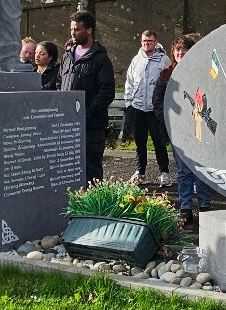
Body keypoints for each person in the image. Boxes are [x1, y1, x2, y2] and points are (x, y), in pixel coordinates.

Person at [153, 33, 209, 228]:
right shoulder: (166, 75)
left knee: (201, 169)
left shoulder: (200, 73)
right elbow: (158, 102)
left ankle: (205, 206)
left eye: (184, 50)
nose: (180, 53)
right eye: (177, 50)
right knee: (183, 171)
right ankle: (185, 207)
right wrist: (167, 122)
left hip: (198, 128)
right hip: (177, 131)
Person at [59, 11, 115, 182]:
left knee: (92, 172)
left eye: (77, 29)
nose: (73, 33)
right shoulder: (67, 57)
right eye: (71, 29)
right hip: (67, 125)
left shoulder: (100, 59)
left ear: (89, 30)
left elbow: (106, 92)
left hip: (92, 127)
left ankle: (93, 207)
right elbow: (58, 83)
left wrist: (86, 112)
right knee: (68, 170)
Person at [124, 30, 172, 186]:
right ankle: (141, 172)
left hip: (154, 109)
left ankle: (164, 173)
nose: (146, 44)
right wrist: (129, 103)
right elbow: (129, 82)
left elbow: (169, 84)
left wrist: (163, 105)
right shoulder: (136, 60)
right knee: (140, 143)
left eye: (150, 41)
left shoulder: (164, 60)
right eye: (144, 41)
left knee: (159, 142)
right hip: (138, 108)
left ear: (155, 42)